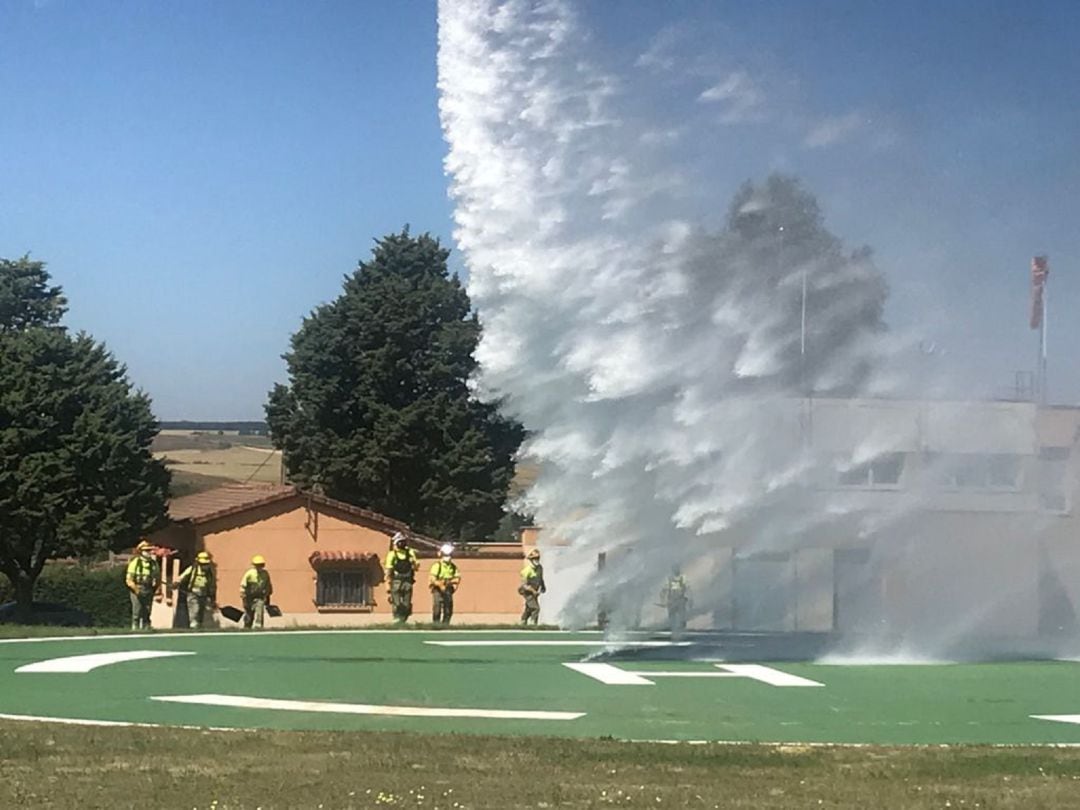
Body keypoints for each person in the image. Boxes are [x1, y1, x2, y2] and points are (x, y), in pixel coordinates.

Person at [125, 540, 161, 630]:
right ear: (141, 552)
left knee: (147, 610)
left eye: (149, 550)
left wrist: (156, 588)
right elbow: (129, 580)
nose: (149, 552)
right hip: (137, 588)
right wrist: (137, 590)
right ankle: (135, 627)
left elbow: (157, 578)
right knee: (137, 610)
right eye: (146, 551)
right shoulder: (135, 563)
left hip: (148, 589)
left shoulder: (154, 564)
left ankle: (146, 626)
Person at [384, 532, 419, 622]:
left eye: (403, 541)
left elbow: (416, 566)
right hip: (396, 580)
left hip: (408, 580)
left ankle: (404, 619)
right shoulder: (392, 554)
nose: (401, 543)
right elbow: (388, 570)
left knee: (406, 604)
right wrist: (387, 583)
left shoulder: (410, 552)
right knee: (397, 602)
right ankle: (396, 618)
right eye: (399, 542)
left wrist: (413, 562)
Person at [176, 551, 217, 630]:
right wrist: (176, 583)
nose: (204, 566)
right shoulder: (193, 569)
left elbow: (212, 585)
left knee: (201, 611)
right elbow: (182, 576)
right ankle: (193, 625)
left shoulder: (209, 573)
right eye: (202, 564)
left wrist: (212, 598)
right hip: (193, 593)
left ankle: (199, 625)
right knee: (194, 610)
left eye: (205, 564)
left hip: (203, 594)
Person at [428, 543, 462, 625]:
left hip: (448, 589)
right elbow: (432, 579)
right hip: (437, 590)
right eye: (446, 555)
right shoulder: (437, 566)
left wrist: (452, 585)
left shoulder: (453, 567)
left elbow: (457, 578)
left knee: (448, 608)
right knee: (437, 608)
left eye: (450, 555)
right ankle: (436, 624)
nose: (448, 557)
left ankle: (446, 624)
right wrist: (440, 585)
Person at [240, 555, 273, 629]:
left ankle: (258, 627)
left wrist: (268, 597)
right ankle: (247, 626)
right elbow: (243, 585)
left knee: (259, 611)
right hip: (249, 597)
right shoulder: (249, 574)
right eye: (257, 565)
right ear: (254, 565)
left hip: (259, 597)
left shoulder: (265, 574)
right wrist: (243, 597)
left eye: (261, 565)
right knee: (249, 613)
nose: (259, 567)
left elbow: (268, 586)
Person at [660, 565, 691, 639]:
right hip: (672, 601)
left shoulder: (683, 578)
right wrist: (663, 600)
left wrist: (690, 599)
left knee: (682, 618)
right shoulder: (669, 579)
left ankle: (681, 633)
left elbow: (688, 589)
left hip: (680, 600)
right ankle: (674, 633)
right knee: (672, 618)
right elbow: (663, 590)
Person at [519, 548, 546, 626]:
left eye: (538, 558)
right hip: (527, 592)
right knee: (535, 608)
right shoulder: (526, 571)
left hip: (535, 591)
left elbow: (540, 578)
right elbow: (524, 585)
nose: (536, 560)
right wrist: (533, 591)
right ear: (531, 559)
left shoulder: (540, 568)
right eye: (534, 558)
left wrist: (543, 586)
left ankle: (523, 622)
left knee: (529, 608)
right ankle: (533, 623)